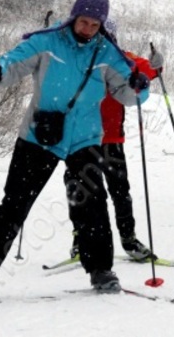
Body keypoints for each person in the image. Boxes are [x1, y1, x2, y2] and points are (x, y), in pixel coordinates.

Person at [0, 0, 150, 297]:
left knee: (92, 205)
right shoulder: (47, 42)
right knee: (14, 205)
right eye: (83, 22)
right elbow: (15, 62)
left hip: (84, 139)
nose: (87, 30)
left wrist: (138, 85)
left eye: (95, 25)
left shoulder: (107, 53)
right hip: (39, 136)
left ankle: (101, 271)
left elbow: (128, 94)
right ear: (74, 16)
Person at [64, 19, 163, 263]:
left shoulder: (123, 59)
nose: (105, 39)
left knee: (120, 190)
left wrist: (156, 66)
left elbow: (147, 69)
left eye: (109, 35)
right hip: (80, 139)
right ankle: (80, 238)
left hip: (111, 138)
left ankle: (128, 239)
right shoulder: (78, 58)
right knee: (79, 190)